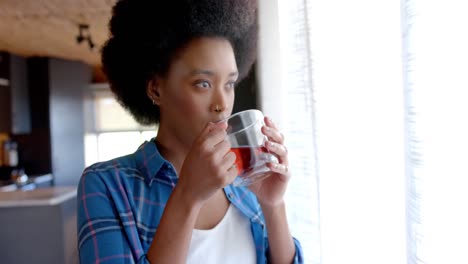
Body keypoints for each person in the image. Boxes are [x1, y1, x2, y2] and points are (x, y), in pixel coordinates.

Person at [77, 0, 303, 263]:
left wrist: (273, 206)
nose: (222, 104)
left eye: (229, 83)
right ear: (155, 89)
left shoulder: (245, 184)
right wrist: (188, 196)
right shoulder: (107, 186)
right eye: (203, 83)